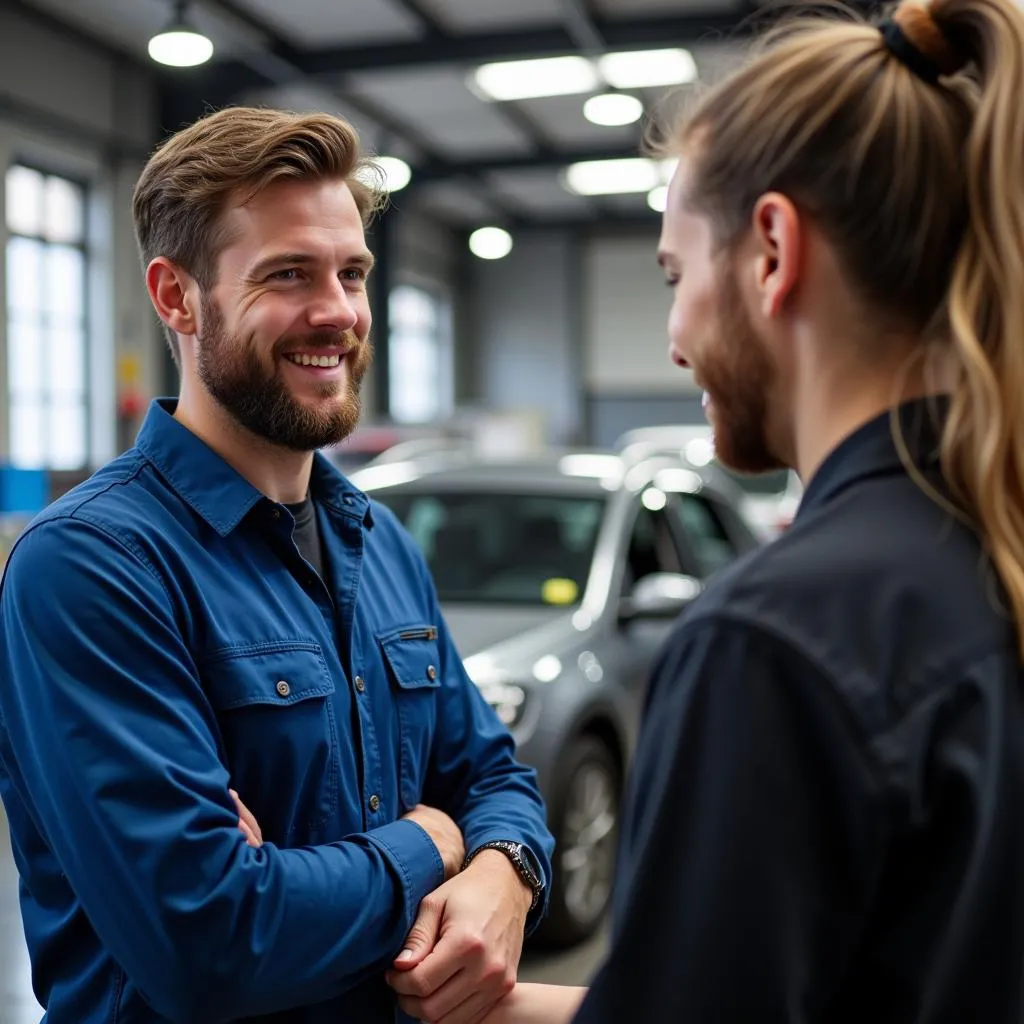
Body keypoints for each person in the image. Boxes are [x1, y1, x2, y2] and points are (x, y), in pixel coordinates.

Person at [481, 0, 1024, 1021]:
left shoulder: (773, 642)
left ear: (771, 250)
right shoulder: (985, 552)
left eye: (676, 274)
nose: (674, 333)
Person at [0, 106, 553, 1024]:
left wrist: (503, 869)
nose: (336, 311)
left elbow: (495, 777)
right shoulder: (92, 568)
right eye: (288, 274)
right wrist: (426, 840)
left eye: (352, 273)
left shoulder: (380, 544)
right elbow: (209, 937)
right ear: (176, 297)